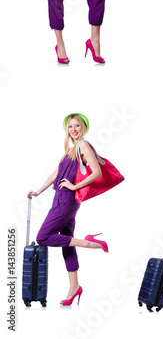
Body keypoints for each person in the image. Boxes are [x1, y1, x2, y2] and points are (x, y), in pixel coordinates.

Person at [27, 113, 108, 306]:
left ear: (83, 128)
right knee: (66, 243)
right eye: (70, 126)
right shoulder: (70, 150)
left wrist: (74, 186)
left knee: (43, 237)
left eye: (77, 126)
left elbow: (97, 172)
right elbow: (54, 175)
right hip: (61, 198)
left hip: (67, 200)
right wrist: (38, 190)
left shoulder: (83, 145)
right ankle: (74, 286)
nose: (73, 130)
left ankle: (89, 243)